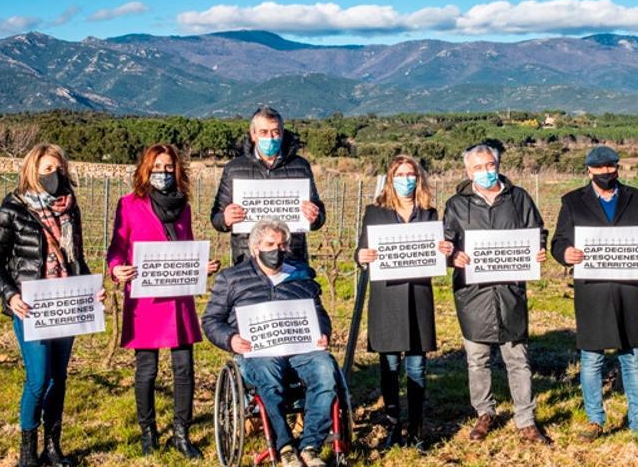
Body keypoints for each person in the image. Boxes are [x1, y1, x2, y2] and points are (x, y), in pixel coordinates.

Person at [0, 143, 105, 467]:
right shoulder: (13, 208)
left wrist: (90, 290)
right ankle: (27, 450)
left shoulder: (71, 208)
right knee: (38, 379)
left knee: (58, 378)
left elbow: (76, 257)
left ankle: (53, 447)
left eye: (59, 168)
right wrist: (10, 295)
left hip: (66, 303)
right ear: (32, 171)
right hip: (32, 306)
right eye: (48, 169)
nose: (55, 174)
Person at [106, 144, 220, 458]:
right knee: (147, 369)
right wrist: (116, 269)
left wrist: (201, 266)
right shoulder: (129, 204)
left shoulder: (184, 206)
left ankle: (181, 434)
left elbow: (187, 246)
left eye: (169, 167)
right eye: (157, 167)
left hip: (178, 299)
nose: (163, 172)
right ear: (146, 169)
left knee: (184, 368)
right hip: (146, 300)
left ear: (177, 170)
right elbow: (117, 246)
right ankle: (149, 433)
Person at [202, 218, 340, 467]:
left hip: (301, 348)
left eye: (282, 245)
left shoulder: (301, 275)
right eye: (270, 244)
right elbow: (211, 320)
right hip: (259, 350)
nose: (277, 250)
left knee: (325, 369)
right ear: (256, 248)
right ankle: (284, 446)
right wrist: (231, 339)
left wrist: (322, 331)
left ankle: (310, 446)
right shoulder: (232, 279)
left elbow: (319, 313)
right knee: (266, 374)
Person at [550, 146, 638, 445]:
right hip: (592, 290)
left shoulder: (636, 198)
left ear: (617, 168)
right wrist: (565, 253)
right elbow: (559, 240)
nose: (605, 172)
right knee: (591, 359)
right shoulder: (572, 201)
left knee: (633, 357)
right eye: (599, 168)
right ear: (589, 170)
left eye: (610, 166)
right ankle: (595, 421)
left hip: (628, 288)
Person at [443, 143, 551, 444]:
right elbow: (447, 240)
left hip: (509, 292)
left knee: (518, 358)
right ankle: (485, 413)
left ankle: (526, 420)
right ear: (468, 172)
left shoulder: (519, 198)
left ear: (498, 165)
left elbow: (537, 231)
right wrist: (453, 257)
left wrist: (538, 249)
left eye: (490, 165)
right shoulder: (456, 204)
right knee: (477, 359)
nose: (485, 171)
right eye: (478, 167)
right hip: (473, 293)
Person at [355, 155, 454, 450]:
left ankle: (416, 429)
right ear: (390, 178)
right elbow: (361, 250)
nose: (406, 179)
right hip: (386, 297)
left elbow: (438, 251)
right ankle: (393, 426)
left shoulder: (429, 213)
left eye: (411, 174)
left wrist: (445, 250)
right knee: (389, 366)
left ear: (419, 178)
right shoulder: (375, 212)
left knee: (417, 366)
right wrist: (361, 257)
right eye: (400, 174)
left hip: (418, 296)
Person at [210, 106, 325, 265]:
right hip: (248, 260)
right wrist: (225, 219)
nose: (270, 138)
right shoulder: (234, 169)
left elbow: (319, 213)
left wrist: (315, 217)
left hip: (291, 259)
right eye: (263, 132)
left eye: (275, 132)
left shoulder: (300, 166)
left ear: (282, 134)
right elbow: (216, 218)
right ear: (253, 135)